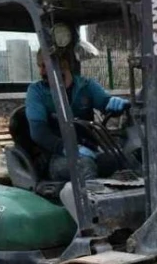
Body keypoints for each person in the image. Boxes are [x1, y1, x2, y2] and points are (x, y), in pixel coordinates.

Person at [25, 50, 130, 181]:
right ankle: (92, 200)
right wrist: (68, 148)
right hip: (56, 156)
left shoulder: (86, 86)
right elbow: (38, 132)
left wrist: (116, 104)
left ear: (63, 65)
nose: (41, 72)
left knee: (123, 159)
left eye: (44, 66)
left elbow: (105, 103)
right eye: (39, 66)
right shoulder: (37, 92)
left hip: (89, 150)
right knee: (84, 165)